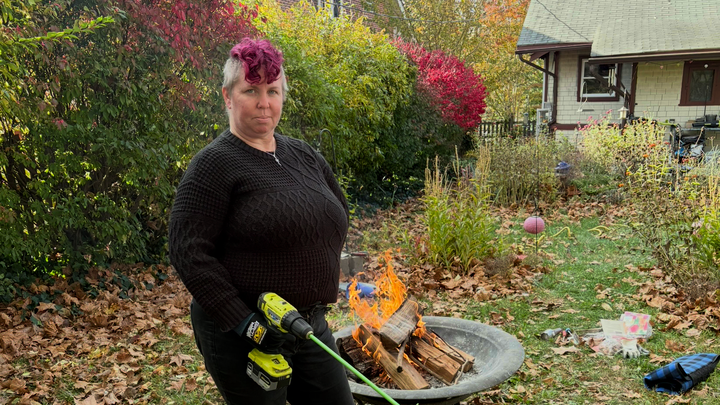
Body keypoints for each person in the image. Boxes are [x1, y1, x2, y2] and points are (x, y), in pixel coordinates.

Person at [169, 37, 354, 405]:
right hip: (242, 333)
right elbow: (187, 251)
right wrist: (246, 324)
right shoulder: (213, 164)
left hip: (308, 326)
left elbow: (337, 210)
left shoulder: (303, 154)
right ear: (228, 96)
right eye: (251, 90)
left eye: (272, 91)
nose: (264, 102)